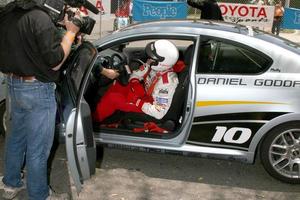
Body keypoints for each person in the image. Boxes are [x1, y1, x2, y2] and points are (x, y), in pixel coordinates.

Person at [0, 1, 91, 199]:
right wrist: (71, 32)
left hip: (14, 84)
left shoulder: (8, 13)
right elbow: (56, 61)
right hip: (37, 89)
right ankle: (39, 195)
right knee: (38, 148)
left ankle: (11, 184)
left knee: (16, 138)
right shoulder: (39, 18)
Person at [93, 40, 181, 123]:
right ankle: (102, 110)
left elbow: (158, 113)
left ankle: (94, 120)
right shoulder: (153, 66)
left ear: (161, 63)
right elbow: (136, 74)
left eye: (152, 58)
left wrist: (137, 101)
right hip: (143, 95)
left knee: (113, 98)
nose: (149, 60)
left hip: (147, 105)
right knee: (118, 85)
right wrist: (134, 82)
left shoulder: (167, 83)